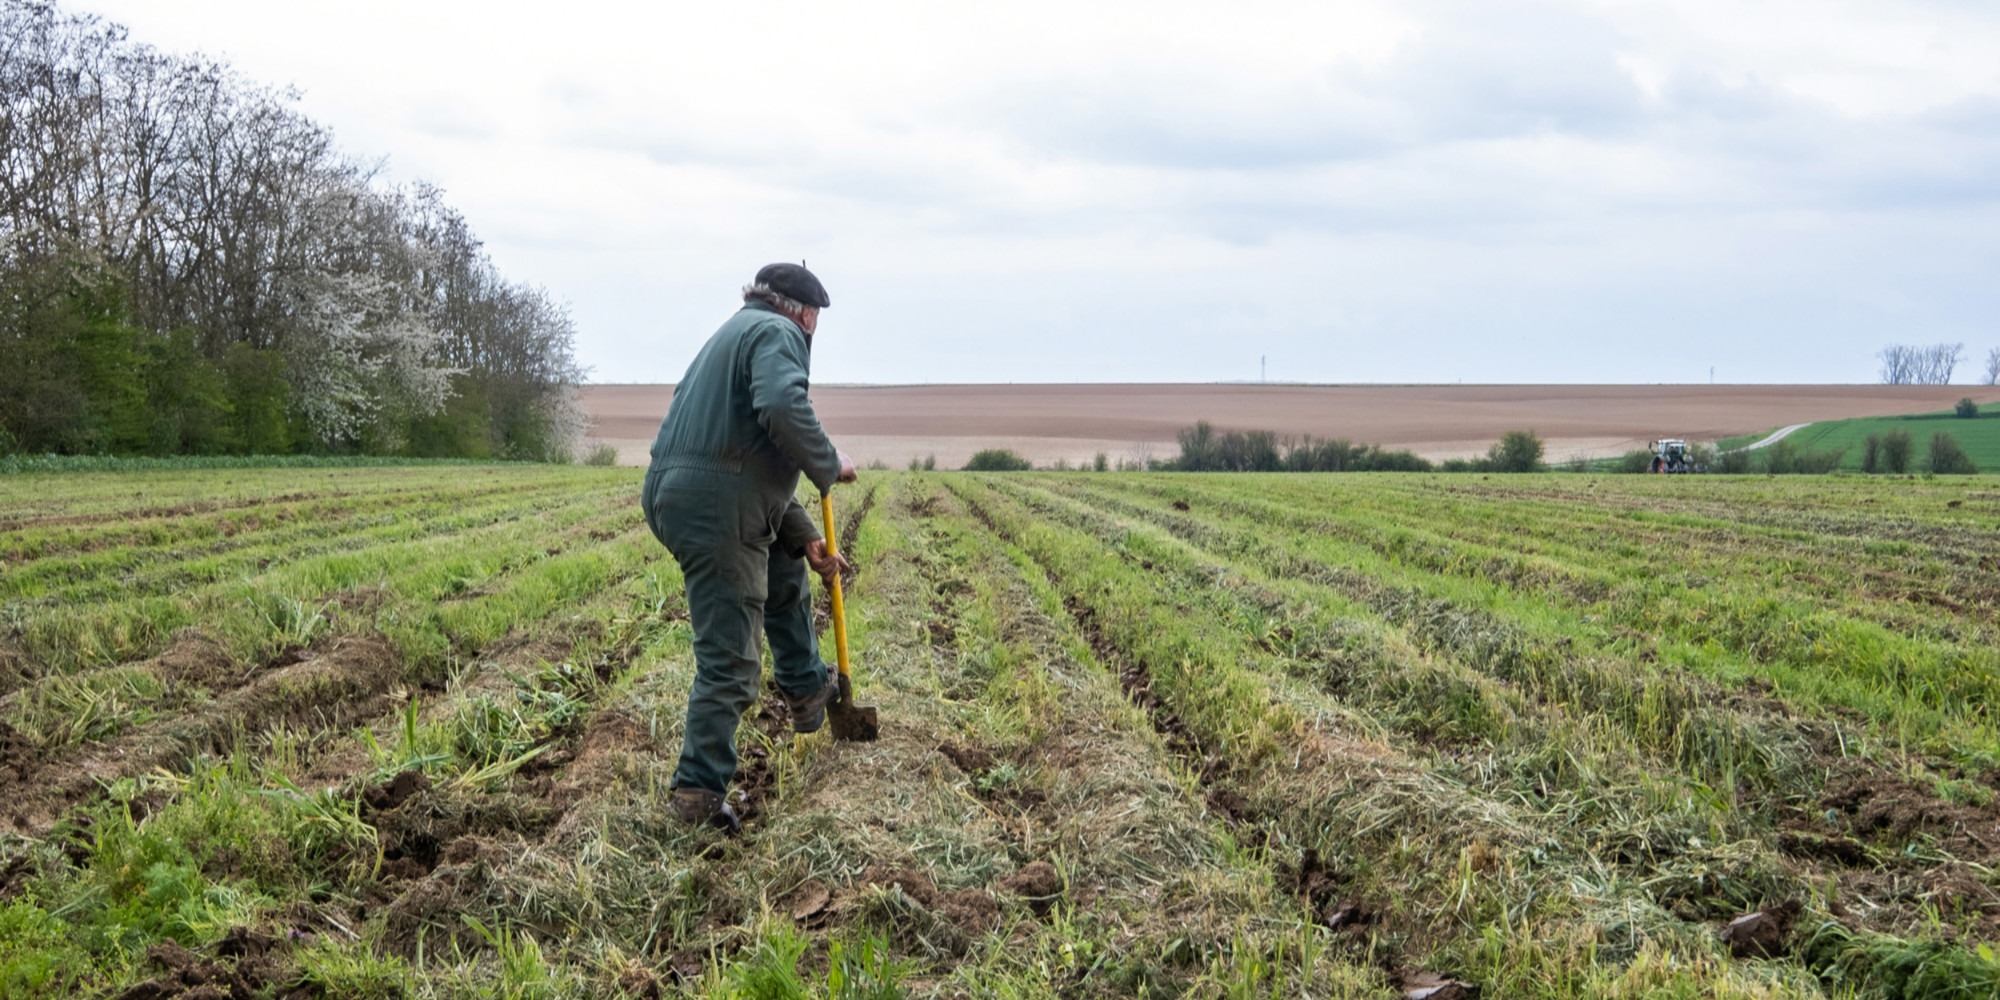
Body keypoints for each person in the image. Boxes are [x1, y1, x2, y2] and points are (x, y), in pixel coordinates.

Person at [640, 262, 857, 833]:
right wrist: (829, 462)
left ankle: (808, 687)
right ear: (806, 314)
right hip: (714, 503)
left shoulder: (734, 332)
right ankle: (697, 795)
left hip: (688, 489)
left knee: (786, 568)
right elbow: (782, 409)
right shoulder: (779, 333)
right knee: (731, 657)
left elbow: (743, 457)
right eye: (817, 322)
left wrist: (806, 534)